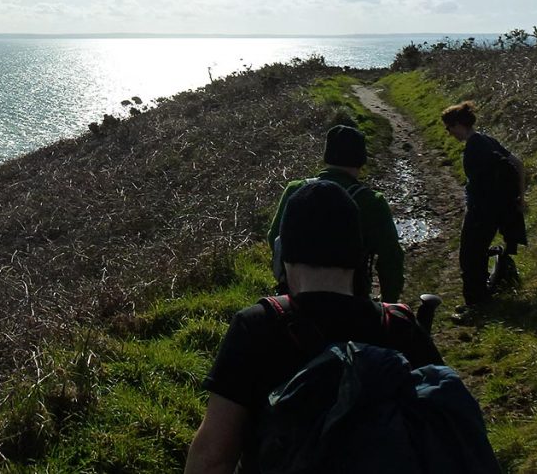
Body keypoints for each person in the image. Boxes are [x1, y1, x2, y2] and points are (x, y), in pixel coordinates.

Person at [186, 180, 443, 473]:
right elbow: (444, 438)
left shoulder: (256, 326)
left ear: (284, 254)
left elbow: (213, 457)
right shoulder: (399, 325)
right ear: (358, 254)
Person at [268, 125, 405, 302]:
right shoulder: (372, 202)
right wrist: (389, 302)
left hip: (296, 297)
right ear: (361, 160)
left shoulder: (295, 189)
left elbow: (274, 237)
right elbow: (391, 259)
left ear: (327, 156)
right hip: (351, 300)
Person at [442, 101, 527, 317]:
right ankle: (493, 282)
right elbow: (518, 163)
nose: (448, 132)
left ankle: (476, 305)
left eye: (449, 127)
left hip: (481, 211)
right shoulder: (487, 140)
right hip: (501, 208)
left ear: (458, 124)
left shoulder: (474, 147)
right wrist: (520, 198)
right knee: (477, 252)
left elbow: (481, 183)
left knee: (469, 256)